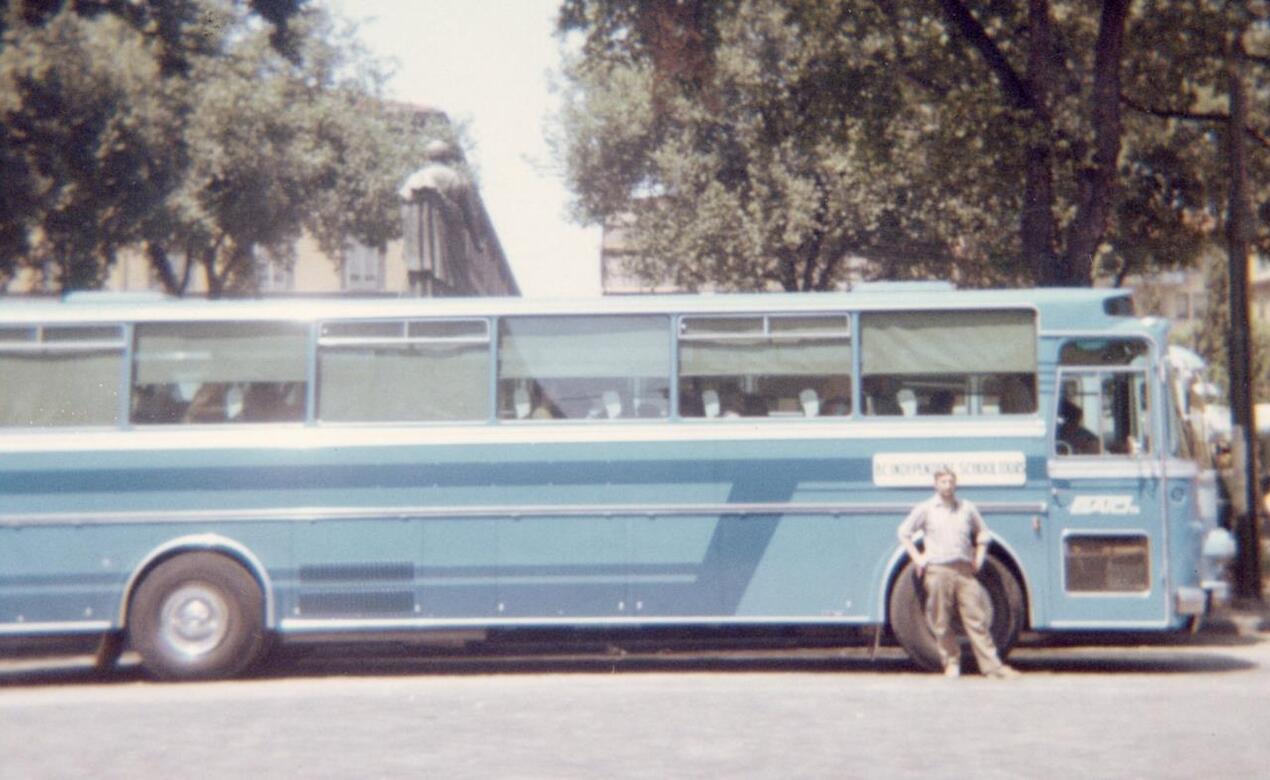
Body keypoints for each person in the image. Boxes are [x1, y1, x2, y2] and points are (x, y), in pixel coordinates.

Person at [897, 468, 1021, 679]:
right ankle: (951, 663)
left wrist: (980, 555)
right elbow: (903, 532)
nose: (948, 485)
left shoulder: (967, 508)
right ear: (936, 485)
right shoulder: (926, 509)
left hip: (964, 572)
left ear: (956, 484)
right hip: (938, 571)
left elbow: (983, 532)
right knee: (941, 621)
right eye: (943, 482)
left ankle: (992, 667)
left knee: (977, 619)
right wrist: (917, 558)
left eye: (951, 481)